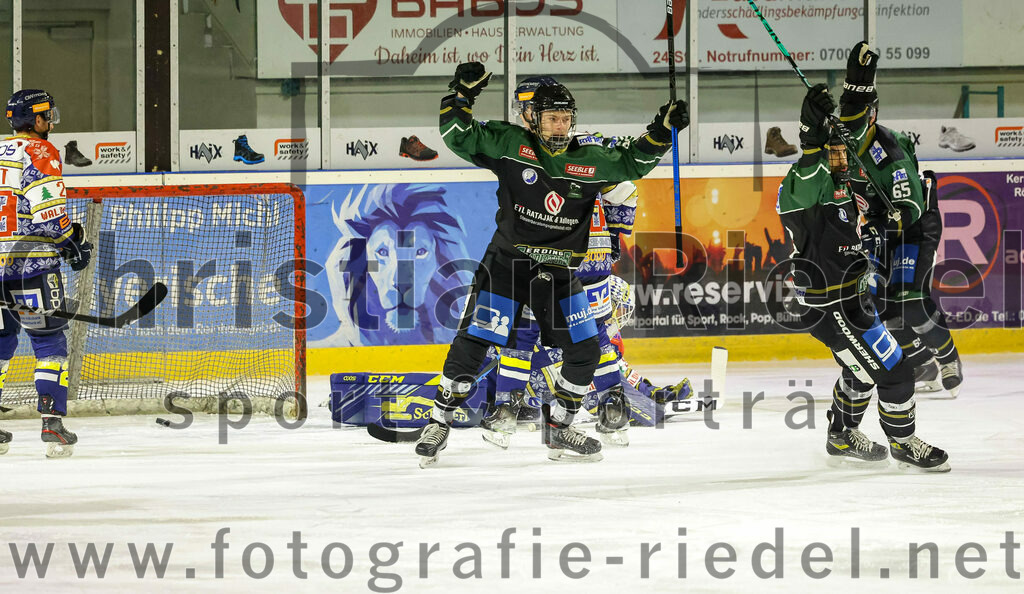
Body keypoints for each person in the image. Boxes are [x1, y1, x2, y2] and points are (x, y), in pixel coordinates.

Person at [415, 62, 687, 467]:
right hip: (507, 267)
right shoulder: (510, 144)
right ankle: (438, 422)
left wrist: (662, 130)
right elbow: (458, 134)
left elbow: (634, 163)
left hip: (558, 274)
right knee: (472, 346)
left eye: (565, 118)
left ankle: (560, 427)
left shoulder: (590, 159)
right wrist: (461, 95)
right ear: (534, 119)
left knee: (585, 352)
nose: (560, 126)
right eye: (551, 118)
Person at [777, 76, 949, 471]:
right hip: (832, 305)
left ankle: (841, 435)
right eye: (836, 151)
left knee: (859, 370)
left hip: (852, 298)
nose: (844, 156)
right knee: (896, 371)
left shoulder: (840, 184)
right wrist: (810, 135)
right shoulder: (805, 186)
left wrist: (881, 221)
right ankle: (903, 443)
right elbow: (808, 170)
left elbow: (858, 220)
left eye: (845, 150)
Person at [837, 42, 963, 398]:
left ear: (871, 118)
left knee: (909, 301)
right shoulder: (840, 146)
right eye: (843, 125)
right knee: (877, 303)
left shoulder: (889, 154)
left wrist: (879, 230)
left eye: (853, 126)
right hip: (881, 227)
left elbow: (910, 208)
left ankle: (948, 358)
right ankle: (921, 363)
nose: (845, 135)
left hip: (914, 225)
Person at [0, 89, 93, 458]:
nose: (51, 122)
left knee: (1, 341)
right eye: (47, 116)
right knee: (49, 340)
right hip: (31, 265)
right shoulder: (40, 151)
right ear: (37, 119)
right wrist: (73, 243)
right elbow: (50, 215)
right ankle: (52, 423)